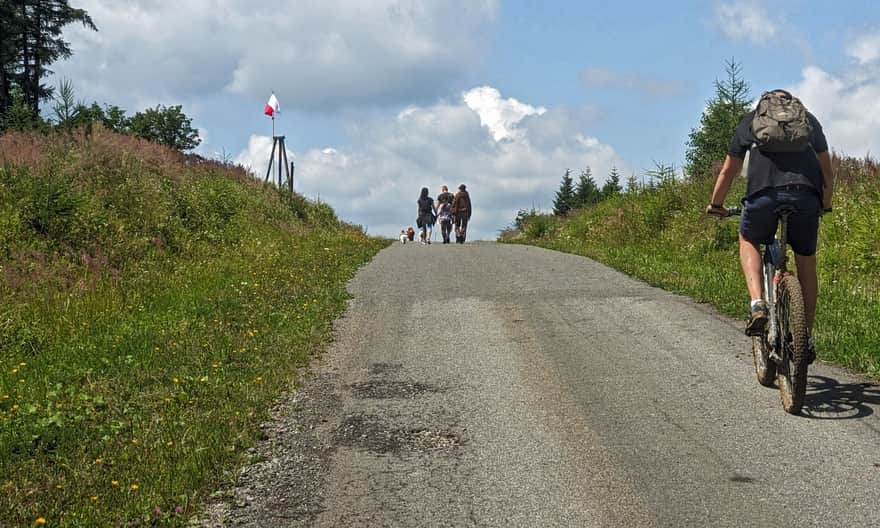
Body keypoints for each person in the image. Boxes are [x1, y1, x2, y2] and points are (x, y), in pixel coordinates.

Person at [706, 89, 833, 363]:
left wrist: (716, 204)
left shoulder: (750, 121)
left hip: (763, 197)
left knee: (748, 239)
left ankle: (757, 304)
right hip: (805, 197)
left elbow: (728, 171)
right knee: (806, 263)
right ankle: (805, 338)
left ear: (765, 105)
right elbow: (827, 169)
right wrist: (825, 202)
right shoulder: (809, 122)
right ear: (792, 106)